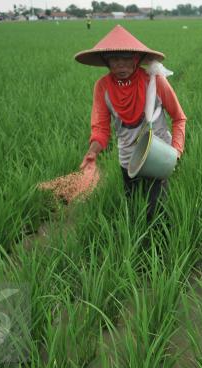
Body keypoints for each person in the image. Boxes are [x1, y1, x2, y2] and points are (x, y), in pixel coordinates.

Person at [75, 25, 186, 223]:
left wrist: (176, 151)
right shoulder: (103, 87)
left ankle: (160, 250)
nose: (121, 65)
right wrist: (93, 152)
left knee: (157, 211)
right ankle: (136, 247)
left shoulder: (154, 80)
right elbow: (100, 128)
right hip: (128, 159)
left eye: (126, 58)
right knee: (134, 207)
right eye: (115, 59)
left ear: (136, 59)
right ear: (106, 62)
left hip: (157, 155)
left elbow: (179, 117)